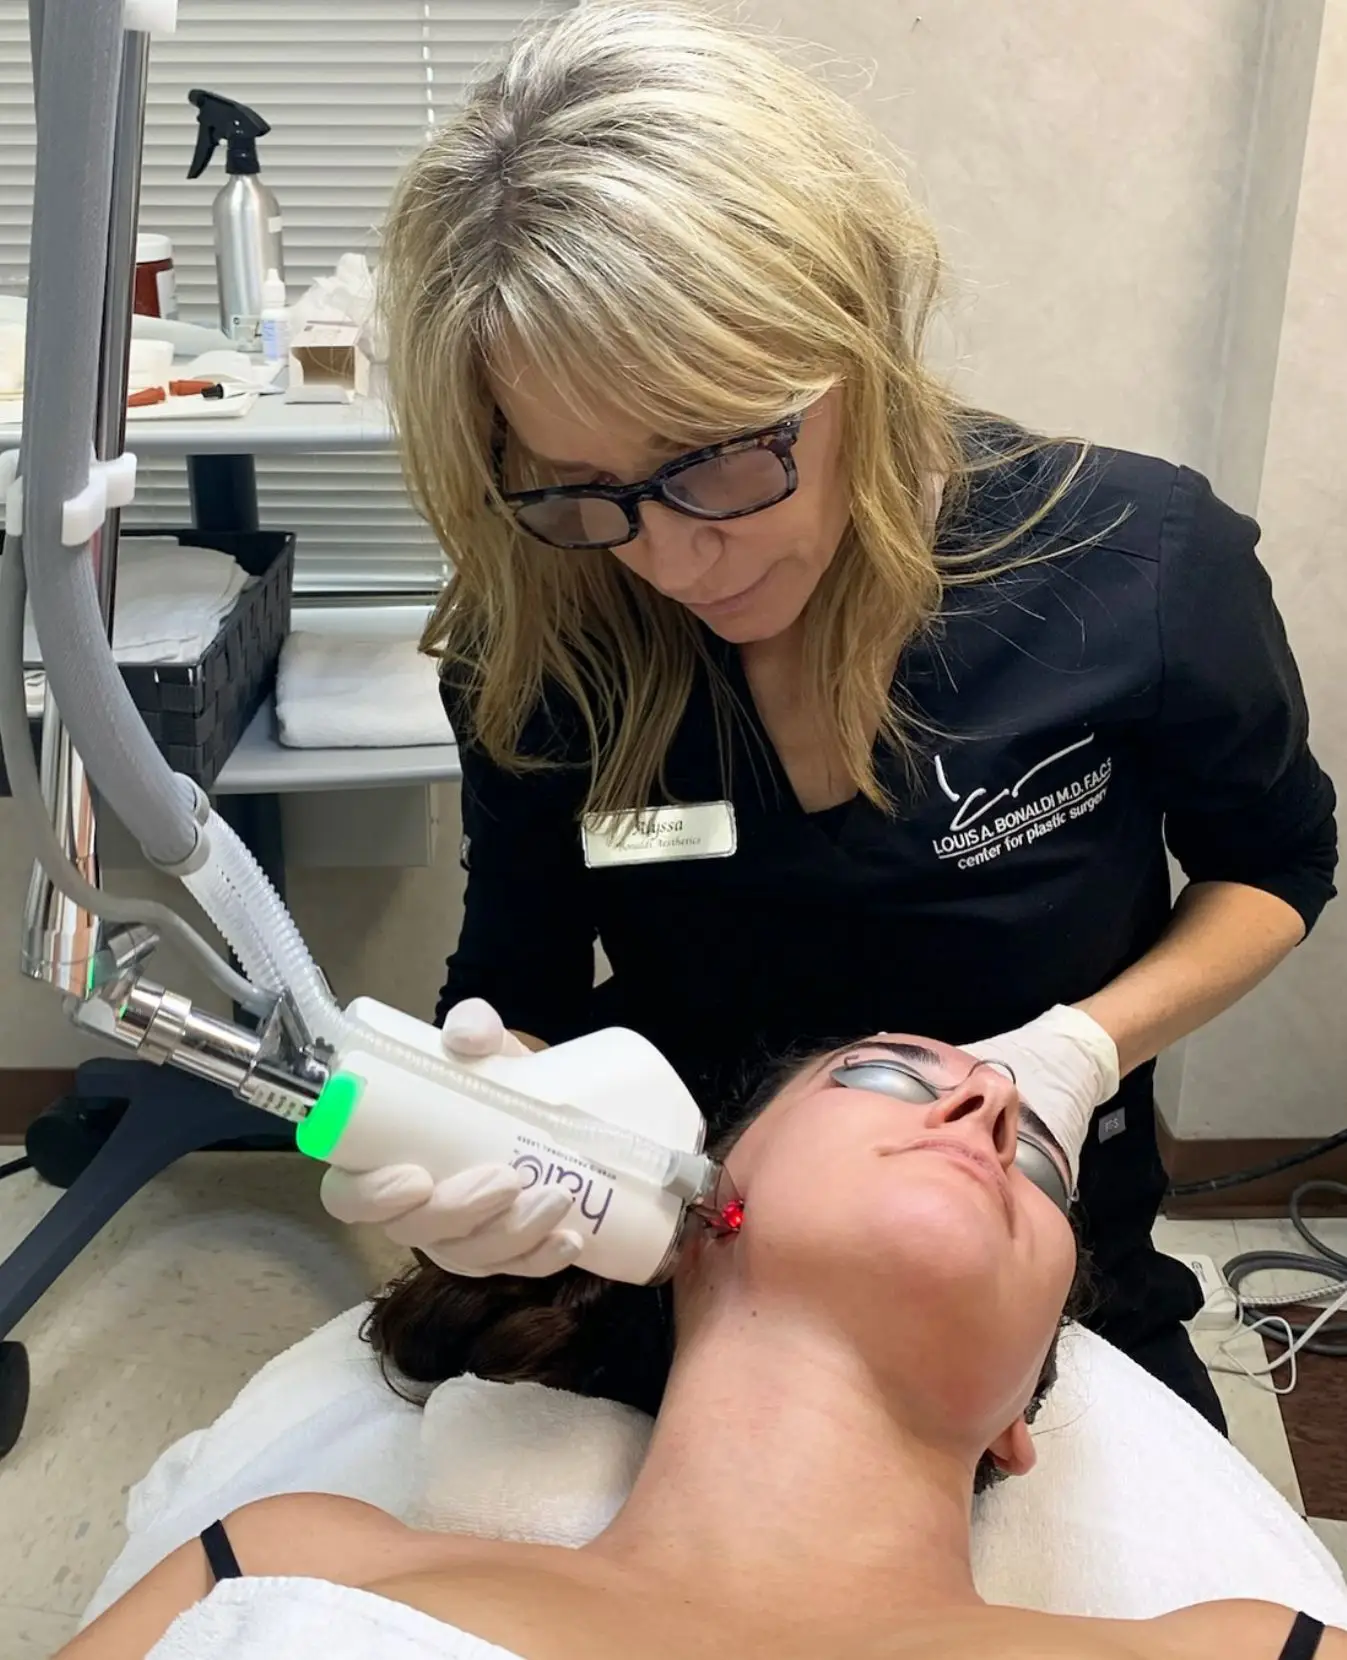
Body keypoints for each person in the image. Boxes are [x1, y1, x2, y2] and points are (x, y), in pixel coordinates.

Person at [320, 0, 1338, 1433]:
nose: (671, 558)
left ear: (851, 340)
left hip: (1047, 1263)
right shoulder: (545, 636)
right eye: (578, 490)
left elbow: (1277, 864)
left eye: (713, 460)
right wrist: (488, 1138)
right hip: (689, 1257)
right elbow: (516, 990)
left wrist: (1079, 1048)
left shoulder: (1136, 565)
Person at [60, 1038, 1342, 1658]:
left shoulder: (1245, 1647)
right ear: (684, 1223)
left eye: (1045, 1176)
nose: (996, 1098)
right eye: (887, 1075)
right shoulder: (294, 1550)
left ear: (1019, 1417)